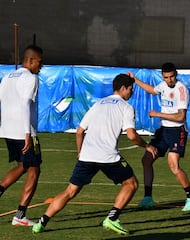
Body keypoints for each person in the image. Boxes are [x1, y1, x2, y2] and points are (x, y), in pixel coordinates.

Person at [32, 74, 157, 235]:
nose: (132, 93)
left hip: (87, 156)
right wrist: (147, 146)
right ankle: (112, 218)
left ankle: (41, 222)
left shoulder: (99, 103)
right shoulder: (126, 107)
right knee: (131, 184)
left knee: (70, 191)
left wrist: (80, 153)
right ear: (123, 88)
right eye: (131, 89)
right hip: (108, 156)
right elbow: (132, 136)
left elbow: (79, 132)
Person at [128, 62, 190, 211]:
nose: (169, 80)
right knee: (147, 159)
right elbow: (153, 91)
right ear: (163, 76)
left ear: (176, 74)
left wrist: (158, 114)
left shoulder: (181, 90)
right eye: (166, 77)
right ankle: (147, 198)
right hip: (164, 131)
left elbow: (181, 117)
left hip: (177, 132)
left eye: (172, 77)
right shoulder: (163, 85)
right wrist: (135, 80)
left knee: (173, 165)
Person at [0, 45, 43, 226]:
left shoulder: (8, 77)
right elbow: (25, 103)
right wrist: (27, 132)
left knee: (22, 165)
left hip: (8, 130)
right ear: (30, 60)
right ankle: (20, 215)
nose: (41, 67)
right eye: (39, 62)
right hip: (24, 132)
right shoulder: (31, 78)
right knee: (34, 170)